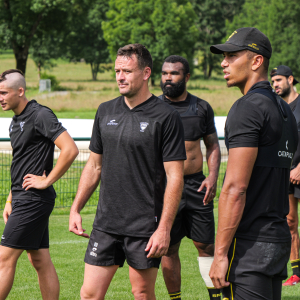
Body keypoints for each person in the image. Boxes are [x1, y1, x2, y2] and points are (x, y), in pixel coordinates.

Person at [69, 44, 186, 300]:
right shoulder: (105, 111)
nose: (120, 77)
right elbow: (94, 165)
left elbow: (175, 176)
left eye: (127, 71)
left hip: (145, 226)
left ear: (145, 73)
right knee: (89, 294)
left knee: (142, 293)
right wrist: (76, 207)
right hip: (106, 224)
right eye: (116, 71)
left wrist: (164, 228)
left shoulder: (166, 116)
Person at [209, 27, 298, 300]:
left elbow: (236, 188)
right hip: (277, 241)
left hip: (249, 246)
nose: (223, 63)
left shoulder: (247, 107)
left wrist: (220, 254)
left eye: (232, 56)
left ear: (256, 61)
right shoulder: (285, 110)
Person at [0, 69, 79, 300]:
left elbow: (70, 149)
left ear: (20, 91)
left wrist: (47, 180)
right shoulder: (14, 122)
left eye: (4, 92)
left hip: (34, 199)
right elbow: (20, 163)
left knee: (4, 258)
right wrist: (9, 199)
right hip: (22, 197)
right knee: (40, 259)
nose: (0, 97)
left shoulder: (40, 115)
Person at [159, 55, 221, 300]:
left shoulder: (202, 107)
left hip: (196, 186)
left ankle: (216, 296)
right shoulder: (152, 107)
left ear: (186, 77)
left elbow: (213, 145)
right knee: (168, 247)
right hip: (164, 188)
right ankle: (176, 298)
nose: (167, 78)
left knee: (206, 246)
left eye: (174, 73)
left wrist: (213, 177)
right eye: (164, 73)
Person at [271, 65, 300, 286]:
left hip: (299, 170)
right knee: (290, 221)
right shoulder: (277, 107)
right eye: (273, 81)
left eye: (279, 80)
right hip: (285, 173)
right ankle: (296, 273)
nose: (275, 85)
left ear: (291, 79)